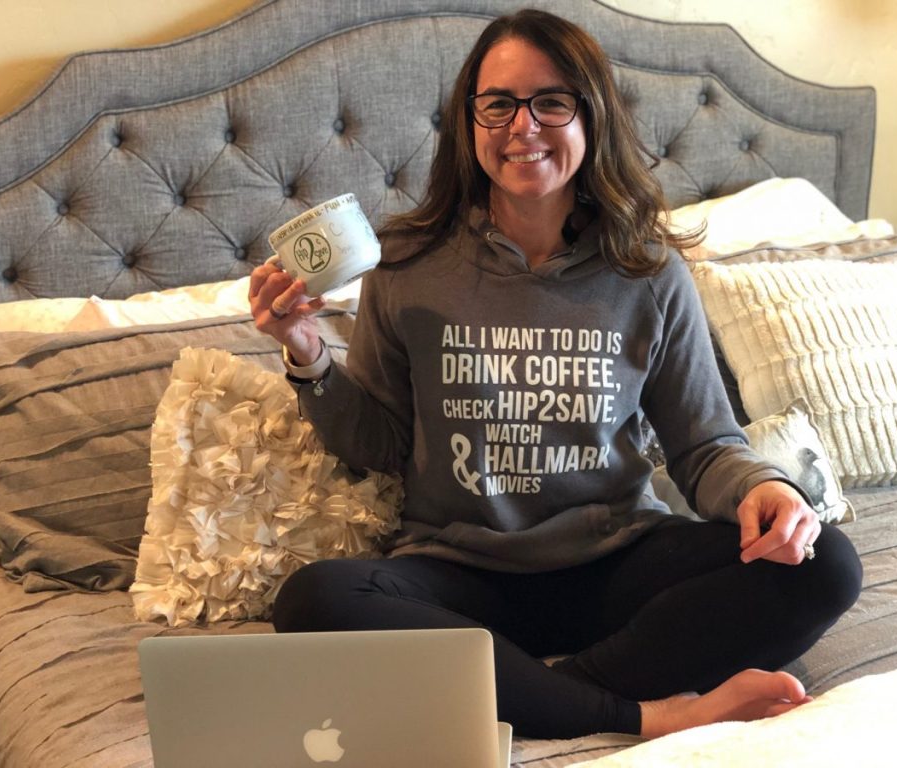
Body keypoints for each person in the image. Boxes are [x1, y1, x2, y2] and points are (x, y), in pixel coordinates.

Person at [248, 8, 862, 740]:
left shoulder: (650, 272)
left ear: (591, 115)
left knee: (827, 566)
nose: (523, 126)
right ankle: (645, 711)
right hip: (459, 572)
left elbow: (703, 446)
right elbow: (377, 443)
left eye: (552, 101)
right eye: (498, 103)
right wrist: (307, 352)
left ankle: (538, 694)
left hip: (615, 564)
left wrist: (767, 487)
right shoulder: (408, 264)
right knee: (314, 601)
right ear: (469, 121)